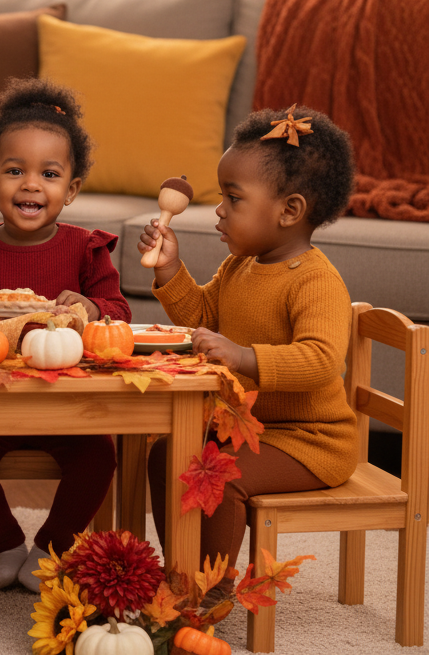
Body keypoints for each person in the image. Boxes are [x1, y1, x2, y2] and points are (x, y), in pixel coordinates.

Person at [142, 105, 358, 581]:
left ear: (290, 210)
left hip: (309, 440)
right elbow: (201, 320)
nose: (219, 209)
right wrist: (170, 270)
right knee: (164, 453)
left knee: (225, 473)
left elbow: (323, 362)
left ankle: (210, 589)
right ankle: (179, 570)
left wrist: (243, 356)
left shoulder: (315, 281)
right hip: (245, 427)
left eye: (233, 198)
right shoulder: (240, 267)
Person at [0, 79, 127, 591]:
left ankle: (48, 548)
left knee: (100, 456)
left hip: (67, 404)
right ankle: (6, 545)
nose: (30, 185)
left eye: (49, 173)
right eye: (14, 171)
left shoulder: (88, 249)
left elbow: (117, 311)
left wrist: (90, 306)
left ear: (73, 188)